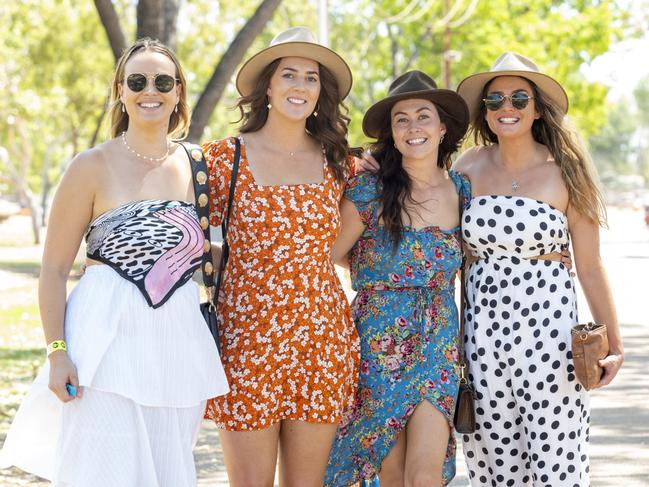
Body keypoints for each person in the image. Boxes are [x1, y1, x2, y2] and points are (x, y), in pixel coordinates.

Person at [0, 38, 228, 486]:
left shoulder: (199, 165)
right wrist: (57, 354)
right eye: (137, 81)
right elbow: (51, 271)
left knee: (170, 473)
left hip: (177, 350)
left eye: (163, 81)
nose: (151, 91)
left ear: (179, 91)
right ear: (120, 91)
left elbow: (201, 251)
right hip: (101, 351)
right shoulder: (90, 165)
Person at [454, 51, 623, 486]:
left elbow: (589, 265)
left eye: (518, 98)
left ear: (535, 108)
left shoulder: (564, 170)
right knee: (493, 460)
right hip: (482, 339)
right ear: (484, 111)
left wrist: (613, 344)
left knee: (556, 459)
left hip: (551, 341)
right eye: (494, 100)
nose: (506, 108)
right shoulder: (465, 167)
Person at [201, 27, 359, 487]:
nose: (300, 86)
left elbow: (355, 243)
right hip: (247, 342)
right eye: (288, 74)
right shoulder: (220, 160)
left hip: (321, 343)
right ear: (267, 86)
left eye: (311, 78)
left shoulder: (340, 162)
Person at [325, 70, 471, 487]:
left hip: (439, 340)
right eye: (401, 119)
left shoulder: (463, 190)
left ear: (442, 128)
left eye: (423, 116)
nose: (413, 127)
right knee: (388, 470)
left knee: (424, 475)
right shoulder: (369, 189)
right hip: (377, 341)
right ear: (392, 132)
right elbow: (329, 255)